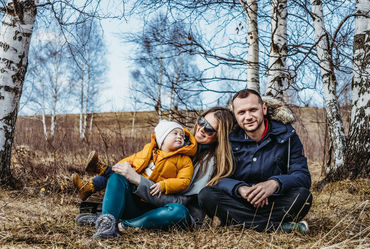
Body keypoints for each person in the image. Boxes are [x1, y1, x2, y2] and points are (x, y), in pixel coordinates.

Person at [76, 107, 236, 239]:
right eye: (202, 121)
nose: (201, 129)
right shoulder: (178, 142)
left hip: (169, 212)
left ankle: (121, 225)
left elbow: (180, 202)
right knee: (118, 176)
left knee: (177, 212)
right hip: (144, 203)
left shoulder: (209, 163)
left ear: (219, 137)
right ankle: (106, 222)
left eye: (209, 129)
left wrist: (139, 181)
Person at [198, 89, 313, 234]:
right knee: (207, 195)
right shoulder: (228, 140)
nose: (248, 117)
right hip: (239, 201)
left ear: (263, 109)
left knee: (303, 196)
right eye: (241, 112)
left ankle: (238, 222)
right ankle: (278, 228)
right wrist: (240, 189)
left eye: (253, 110)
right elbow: (218, 178)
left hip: (274, 201)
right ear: (235, 115)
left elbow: (302, 176)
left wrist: (274, 184)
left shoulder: (287, 136)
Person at [72, 120, 196, 200]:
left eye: (182, 136)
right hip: (134, 183)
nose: (180, 136)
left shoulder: (184, 160)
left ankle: (100, 169)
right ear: (162, 138)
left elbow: (184, 181)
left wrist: (164, 185)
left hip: (149, 190)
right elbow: (133, 159)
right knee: (116, 174)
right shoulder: (150, 150)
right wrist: (120, 166)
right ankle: (87, 187)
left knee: (113, 174)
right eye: (175, 133)